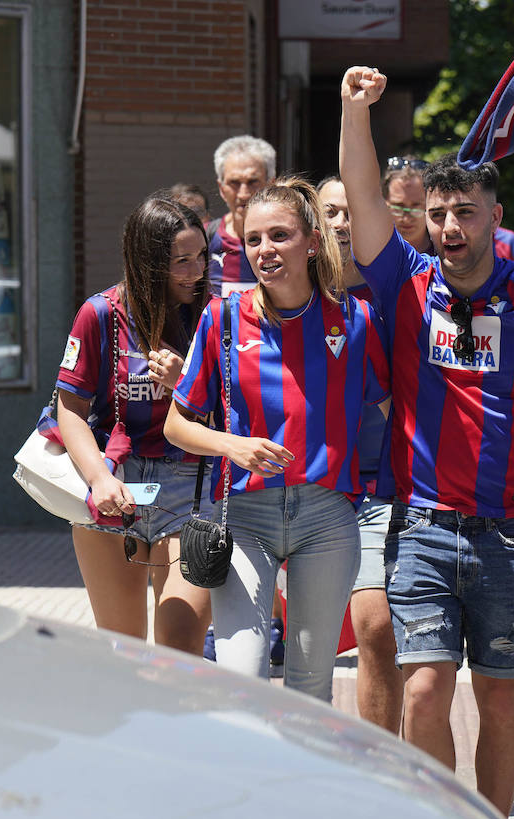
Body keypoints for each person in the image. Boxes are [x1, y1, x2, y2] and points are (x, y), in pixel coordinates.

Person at [340, 66, 514, 818]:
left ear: (496, 216)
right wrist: (353, 112)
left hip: (509, 534)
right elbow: (363, 198)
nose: (450, 225)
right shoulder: (404, 281)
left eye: (465, 210)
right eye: (438, 213)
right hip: (422, 527)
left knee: (500, 695)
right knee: (423, 689)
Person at [165, 177, 389, 701]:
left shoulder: (354, 319)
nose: (265, 250)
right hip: (245, 515)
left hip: (329, 515)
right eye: (254, 239)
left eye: (280, 236)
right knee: (243, 676)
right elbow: (177, 424)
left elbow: (394, 410)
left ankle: (302, 785)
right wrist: (232, 446)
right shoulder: (222, 317)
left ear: (313, 241)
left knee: (310, 688)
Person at [55, 193, 213, 655]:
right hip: (114, 483)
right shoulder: (99, 313)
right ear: (147, 262)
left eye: (201, 255)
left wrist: (185, 381)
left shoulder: (212, 315)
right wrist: (99, 477)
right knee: (121, 650)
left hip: (188, 484)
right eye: (181, 260)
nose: (196, 271)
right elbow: (70, 409)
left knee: (181, 644)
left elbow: (232, 411)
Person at [319, 174, 403, 731]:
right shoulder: (287, 296)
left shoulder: (400, 291)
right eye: (331, 212)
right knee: (307, 645)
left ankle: (382, 765)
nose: (343, 223)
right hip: (304, 492)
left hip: (380, 490)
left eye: (353, 210)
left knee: (375, 625)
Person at [208, 135, 276, 296]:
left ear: (271, 184)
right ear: (221, 188)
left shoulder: (290, 243)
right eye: (234, 183)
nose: (244, 194)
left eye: (253, 182)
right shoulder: (205, 240)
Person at [383, 155, 434, 253]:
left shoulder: (447, 253)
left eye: (416, 207)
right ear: (385, 203)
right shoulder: (370, 253)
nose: (406, 219)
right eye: (398, 207)